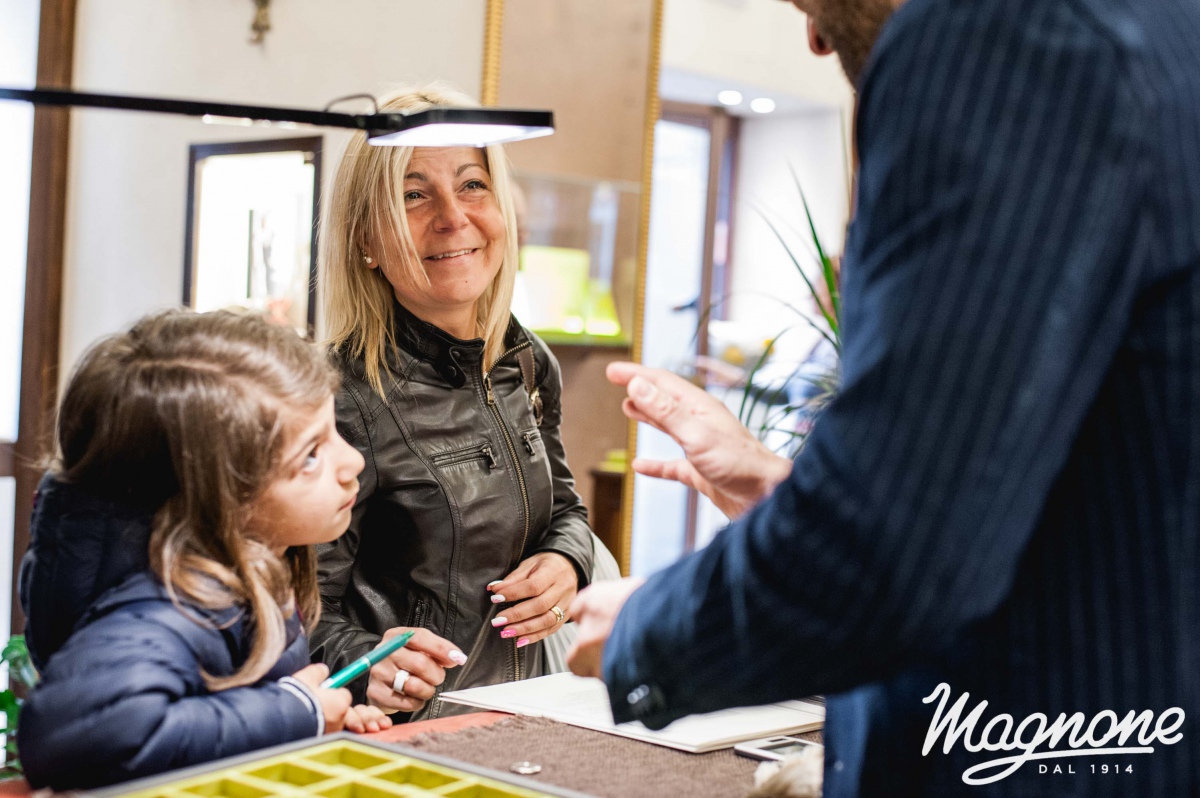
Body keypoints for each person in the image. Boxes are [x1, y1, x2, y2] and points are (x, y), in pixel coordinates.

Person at [569, 0, 1200, 795]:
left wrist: (645, 629)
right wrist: (786, 493)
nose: (813, 36)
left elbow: (891, 559)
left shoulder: (1006, 36)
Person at [16, 310, 465, 790]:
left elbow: (215, 722)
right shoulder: (169, 607)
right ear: (219, 498)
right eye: (310, 455)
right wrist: (295, 711)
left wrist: (314, 723)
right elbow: (80, 738)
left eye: (335, 432)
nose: (353, 461)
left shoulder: (246, 574)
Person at [313, 84, 594, 720]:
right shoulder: (338, 396)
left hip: (525, 721)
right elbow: (290, 610)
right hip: (407, 738)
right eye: (414, 195)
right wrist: (367, 662)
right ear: (366, 239)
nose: (452, 216)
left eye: (472, 185)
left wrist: (567, 559)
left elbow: (565, 510)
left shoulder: (526, 361)